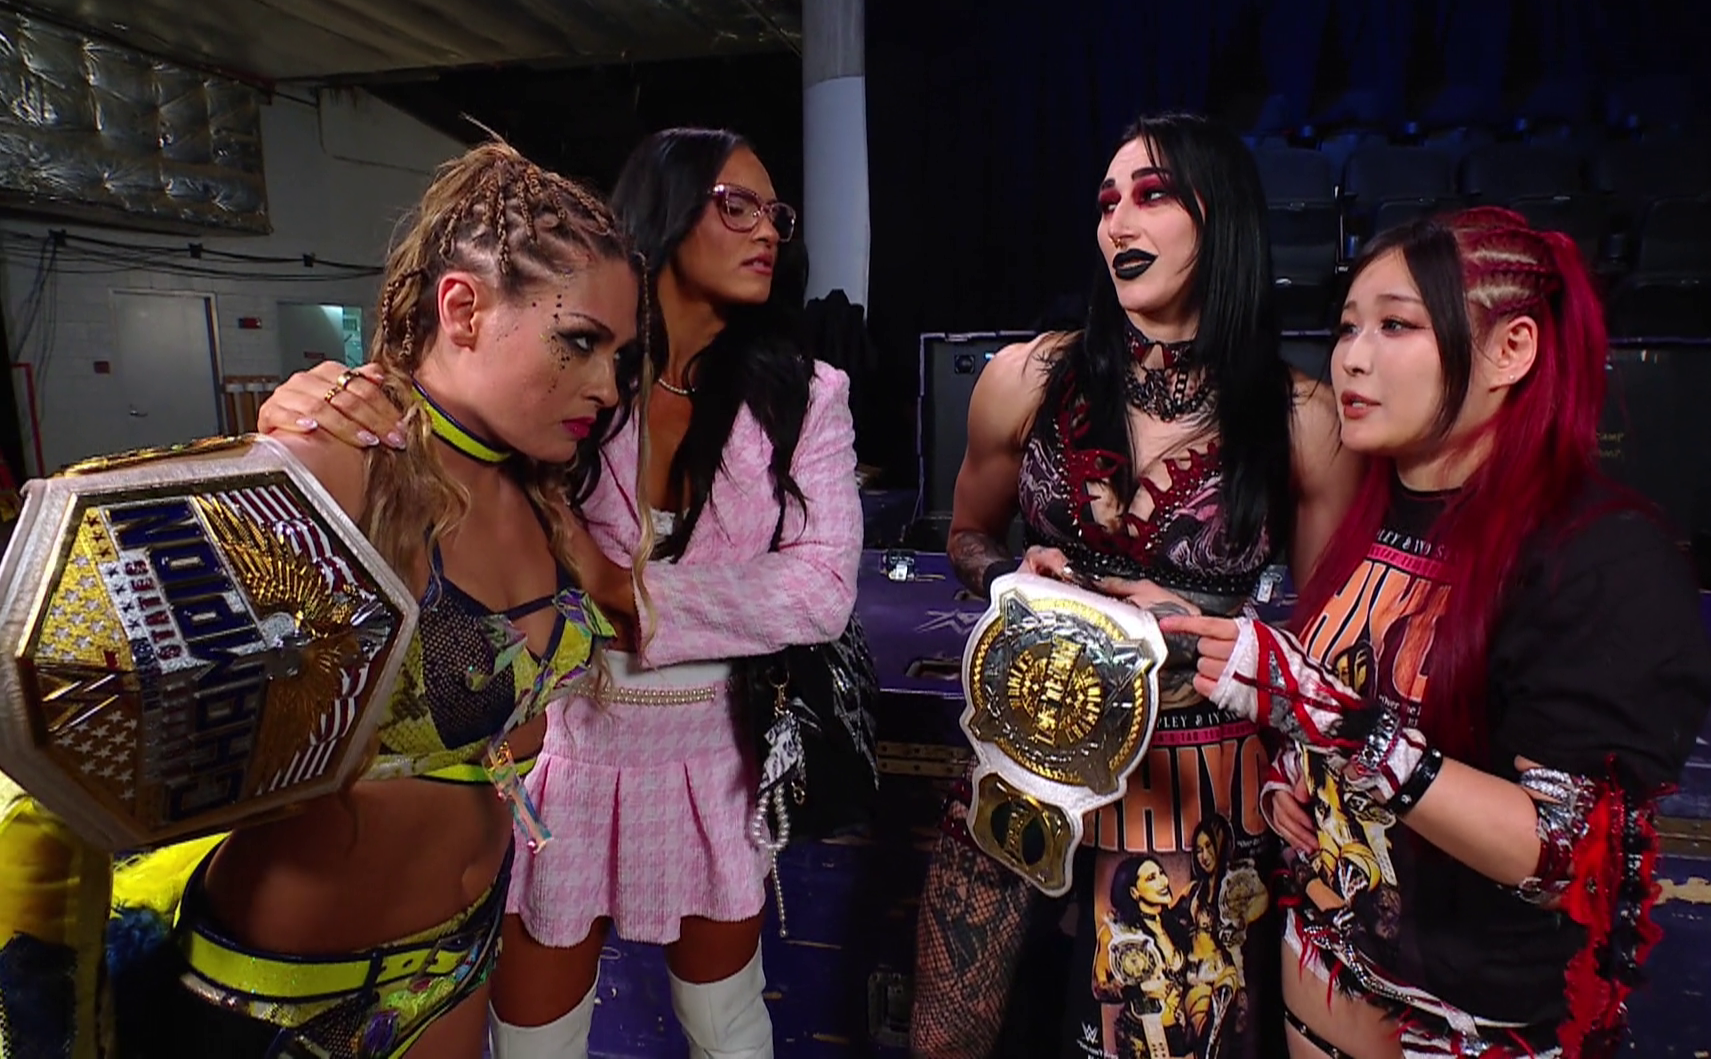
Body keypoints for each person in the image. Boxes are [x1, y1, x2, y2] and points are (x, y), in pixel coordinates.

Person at [256, 127, 862, 1059]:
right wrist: (318, 405)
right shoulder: (552, 397)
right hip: (558, 750)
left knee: (728, 1020)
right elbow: (437, 420)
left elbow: (820, 591)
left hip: (717, 746)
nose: (768, 231)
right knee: (536, 1033)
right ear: (665, 213)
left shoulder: (803, 396)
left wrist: (618, 586)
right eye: (736, 206)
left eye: (775, 213)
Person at [88, 141, 641, 1057]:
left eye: (619, 354)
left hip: (458, 955)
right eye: (579, 341)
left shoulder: (541, 492)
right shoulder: (336, 461)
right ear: (461, 309)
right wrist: (267, 466)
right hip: (288, 992)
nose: (606, 385)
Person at [1161, 207, 1711, 1058]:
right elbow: (1355, 715)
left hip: (1462, 1030)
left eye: (1396, 326)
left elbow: (1561, 851)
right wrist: (1294, 785)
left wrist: (1327, 719)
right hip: (1316, 994)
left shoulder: (1603, 559)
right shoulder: (1375, 512)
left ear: (1511, 350)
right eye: (1348, 326)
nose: (1351, 357)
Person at [911, 111, 1359, 1059]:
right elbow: (965, 535)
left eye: (1152, 195)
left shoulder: (1302, 419)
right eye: (1107, 200)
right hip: (1023, 751)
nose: (1119, 220)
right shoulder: (1025, 377)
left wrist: (1217, 639)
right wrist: (1009, 574)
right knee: (947, 1041)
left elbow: (1324, 643)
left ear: (1221, 218)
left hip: (1190, 783)